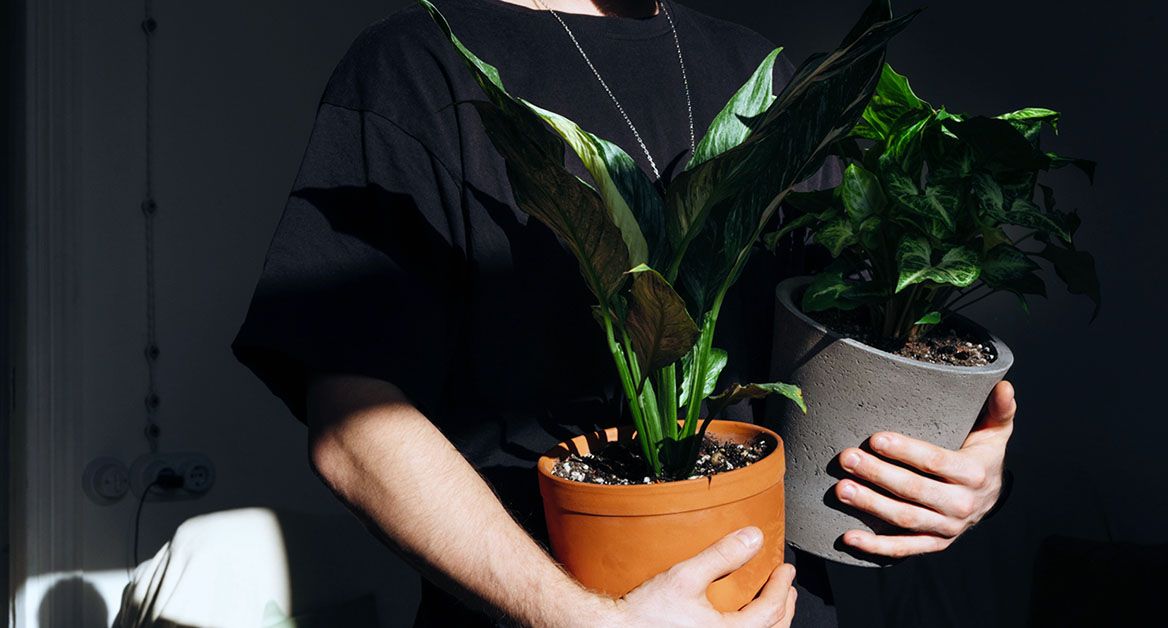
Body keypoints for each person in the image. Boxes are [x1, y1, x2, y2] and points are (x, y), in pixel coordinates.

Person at [231, 0, 1017, 625]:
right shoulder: (417, 66)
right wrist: (581, 618)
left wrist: (963, 477)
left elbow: (846, 363)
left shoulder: (769, 78)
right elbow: (353, 426)